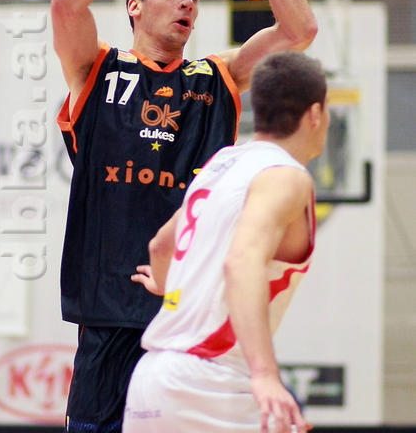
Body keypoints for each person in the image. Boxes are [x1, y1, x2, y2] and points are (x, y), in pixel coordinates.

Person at [51, 0, 317, 433]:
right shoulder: (96, 71)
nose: (187, 2)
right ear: (135, 6)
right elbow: (67, 1)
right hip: (109, 311)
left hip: (187, 316)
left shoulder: (217, 77)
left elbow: (299, 30)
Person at [124, 50, 329, 433]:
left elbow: (160, 247)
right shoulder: (286, 176)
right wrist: (265, 374)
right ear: (316, 114)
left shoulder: (221, 163)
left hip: (151, 380)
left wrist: (176, 290)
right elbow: (241, 262)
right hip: (211, 381)